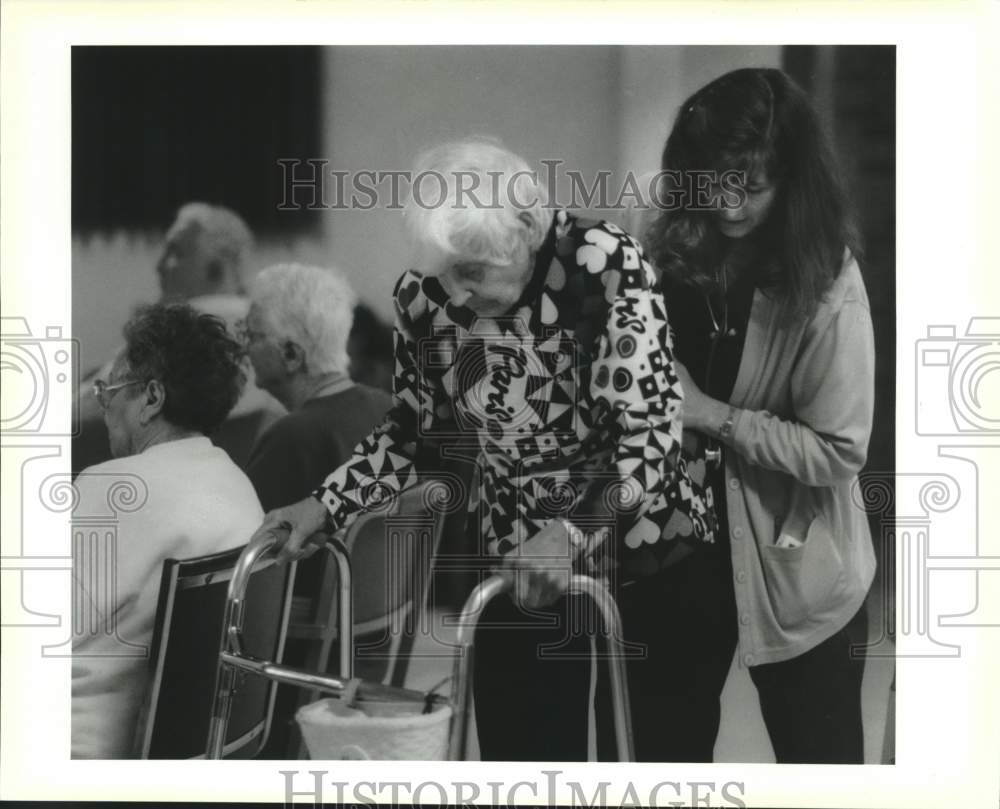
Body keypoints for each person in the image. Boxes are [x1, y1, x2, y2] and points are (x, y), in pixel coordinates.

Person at [255, 139, 716, 762]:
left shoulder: (603, 262)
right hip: (519, 559)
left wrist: (573, 532)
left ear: (525, 226)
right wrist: (325, 503)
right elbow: (420, 437)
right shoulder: (426, 297)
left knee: (648, 773)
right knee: (522, 765)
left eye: (471, 271)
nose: (458, 295)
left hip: (645, 551)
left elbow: (649, 431)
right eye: (445, 273)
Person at [644, 67, 876, 763]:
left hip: (801, 572)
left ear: (792, 180)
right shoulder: (666, 252)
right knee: (663, 763)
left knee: (821, 771)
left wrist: (712, 414)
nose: (727, 203)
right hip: (673, 560)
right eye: (710, 180)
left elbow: (839, 450)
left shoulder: (826, 276)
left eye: (750, 185)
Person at [71, 303, 263, 759]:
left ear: (152, 398)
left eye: (109, 391)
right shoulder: (239, 485)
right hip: (198, 746)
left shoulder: (109, 489)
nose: (105, 408)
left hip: (79, 745)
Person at [73, 203, 284, 475]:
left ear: (216, 268)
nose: (160, 265)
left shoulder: (175, 333)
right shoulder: (274, 336)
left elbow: (82, 409)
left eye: (176, 252)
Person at [242, 263, 393, 512]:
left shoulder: (289, 439)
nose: (246, 348)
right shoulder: (389, 408)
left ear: (291, 355)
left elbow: (247, 542)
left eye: (254, 337)